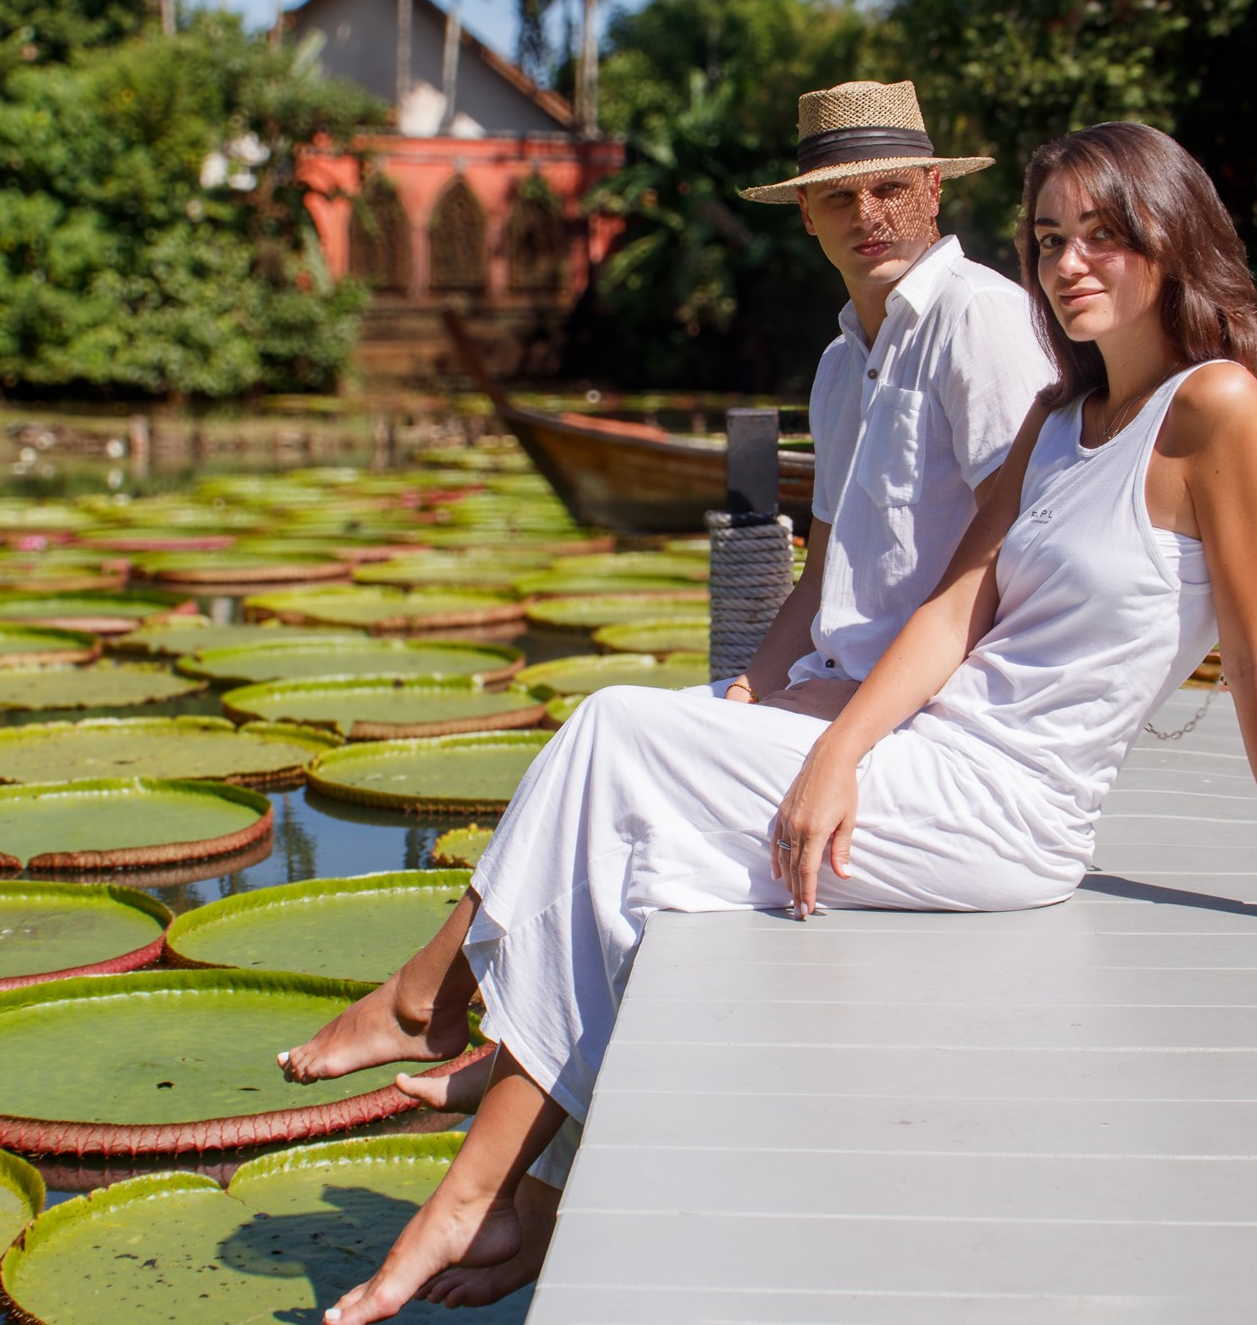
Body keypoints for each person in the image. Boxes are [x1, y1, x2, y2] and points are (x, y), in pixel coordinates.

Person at [307, 120, 1257, 1325]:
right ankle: (512, 1186)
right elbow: (955, 607)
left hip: (1011, 812)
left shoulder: (1215, 409)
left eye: (1103, 236)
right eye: (1052, 240)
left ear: (1172, 239)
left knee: (615, 736)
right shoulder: (1058, 421)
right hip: (929, 755)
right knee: (629, 817)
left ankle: (474, 1140)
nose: (1070, 264)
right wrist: (839, 749)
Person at [281, 79, 1049, 1305]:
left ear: (937, 187)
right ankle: (502, 1168)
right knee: (626, 788)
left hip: (932, 721)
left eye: (891, 185)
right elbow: (833, 560)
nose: (870, 213)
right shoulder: (843, 362)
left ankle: (442, 1013)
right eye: (839, 195)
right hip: (836, 687)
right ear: (804, 216)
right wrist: (747, 687)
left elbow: (1006, 559)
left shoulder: (980, 320)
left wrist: (847, 733)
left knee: (605, 729)